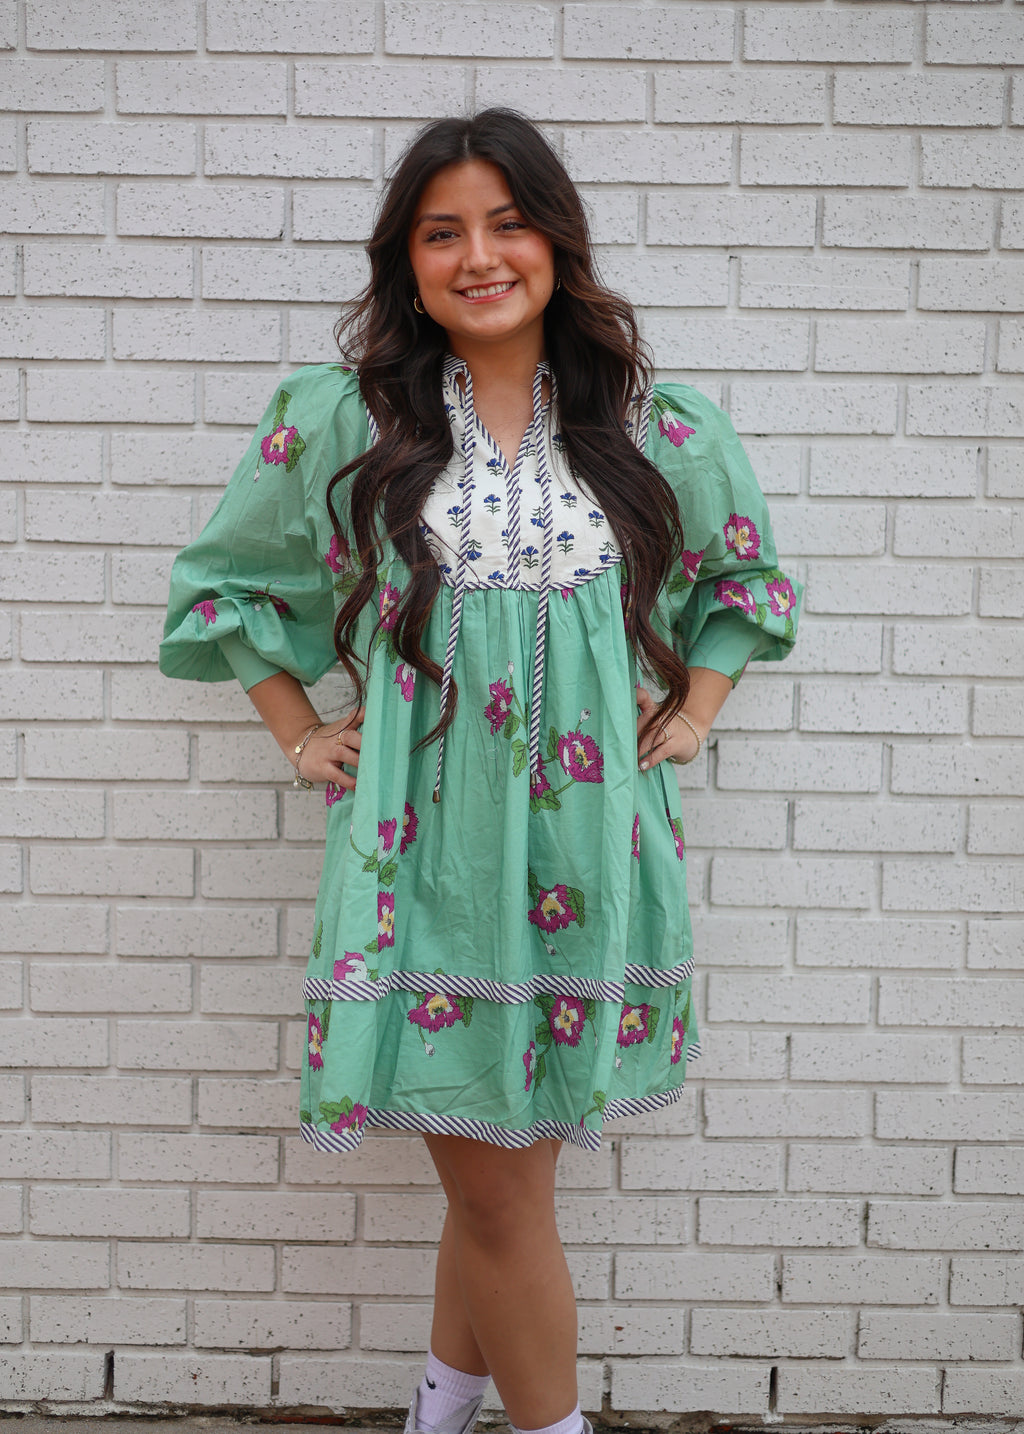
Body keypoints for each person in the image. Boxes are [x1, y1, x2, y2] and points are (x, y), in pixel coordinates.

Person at [161, 109, 799, 1434]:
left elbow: (743, 576)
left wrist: (694, 708)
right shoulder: (343, 414)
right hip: (425, 858)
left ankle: (438, 1411)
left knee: (498, 1185)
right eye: (443, 231)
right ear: (408, 258)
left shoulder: (649, 421)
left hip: (586, 857)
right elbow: (224, 584)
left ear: (556, 239)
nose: (479, 255)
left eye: (507, 222)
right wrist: (299, 728)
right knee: (503, 1189)